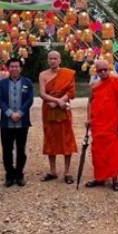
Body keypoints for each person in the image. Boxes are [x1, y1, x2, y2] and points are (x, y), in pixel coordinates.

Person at [85, 60, 118, 192]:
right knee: (98, 152)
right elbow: (90, 102)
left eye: (105, 69)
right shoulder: (94, 85)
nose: (103, 72)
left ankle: (115, 179)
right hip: (98, 124)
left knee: (113, 153)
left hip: (113, 124)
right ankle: (99, 178)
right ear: (96, 71)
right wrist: (88, 118)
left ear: (109, 69)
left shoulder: (117, 83)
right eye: (100, 70)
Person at [39, 51, 77, 184]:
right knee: (50, 138)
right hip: (49, 109)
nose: (53, 61)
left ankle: (67, 172)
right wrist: (56, 101)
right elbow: (42, 94)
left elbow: (71, 91)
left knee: (66, 138)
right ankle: (52, 171)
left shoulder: (68, 73)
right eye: (50, 58)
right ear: (47, 60)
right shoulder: (43, 74)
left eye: (55, 58)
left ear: (60, 60)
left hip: (63, 108)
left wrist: (61, 101)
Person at [0, 58, 34, 187]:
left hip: (22, 122)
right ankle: (9, 175)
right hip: (6, 123)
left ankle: (19, 174)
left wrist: (20, 113)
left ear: (20, 68)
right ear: (8, 68)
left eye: (17, 66)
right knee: (7, 150)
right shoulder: (2, 83)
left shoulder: (27, 82)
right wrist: (10, 113)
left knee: (21, 149)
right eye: (12, 66)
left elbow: (29, 100)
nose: (14, 69)